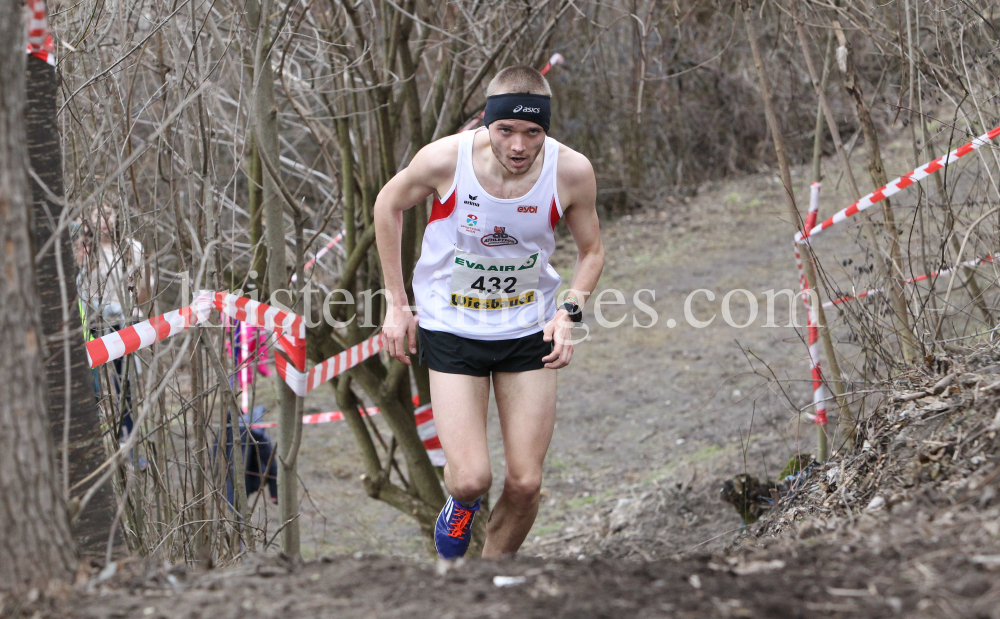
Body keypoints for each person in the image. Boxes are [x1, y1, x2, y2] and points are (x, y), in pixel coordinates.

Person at [374, 65, 604, 559]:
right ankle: (460, 503)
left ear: (546, 129)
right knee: (473, 479)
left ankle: (489, 583)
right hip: (451, 328)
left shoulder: (571, 171)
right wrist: (397, 305)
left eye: (532, 132)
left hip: (527, 330)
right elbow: (388, 204)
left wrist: (567, 314)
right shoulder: (444, 160)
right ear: (485, 123)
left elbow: (593, 253)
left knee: (525, 483)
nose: (519, 146)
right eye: (506, 131)